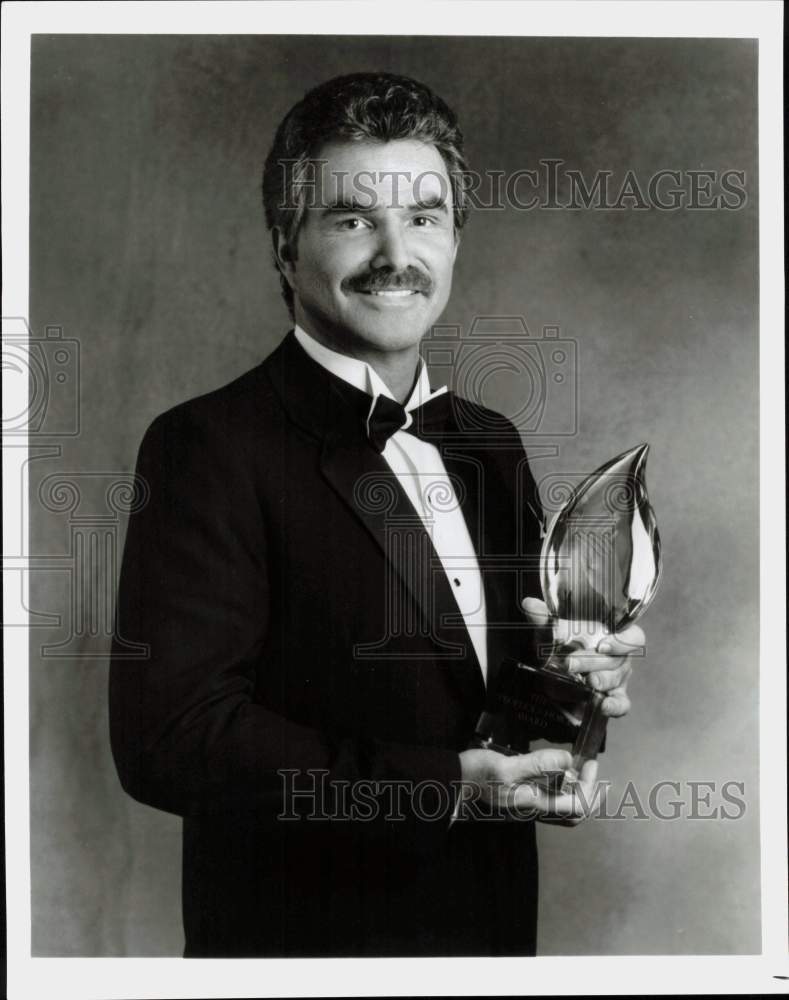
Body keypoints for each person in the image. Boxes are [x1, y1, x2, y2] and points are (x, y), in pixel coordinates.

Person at [109, 72, 644, 958]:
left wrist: (572, 690)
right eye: (353, 218)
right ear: (285, 247)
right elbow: (170, 741)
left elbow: (487, 698)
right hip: (296, 949)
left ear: (455, 240)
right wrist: (439, 788)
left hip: (493, 937)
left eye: (425, 216)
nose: (397, 253)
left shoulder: (487, 441)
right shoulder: (205, 444)